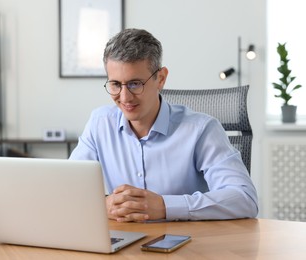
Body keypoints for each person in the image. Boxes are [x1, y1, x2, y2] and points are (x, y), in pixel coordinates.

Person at [69, 28, 258, 222]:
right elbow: (67, 188)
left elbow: (245, 199)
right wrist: (102, 204)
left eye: (135, 84)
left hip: (188, 246)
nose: (124, 97)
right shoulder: (99, 124)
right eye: (116, 84)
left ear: (160, 79)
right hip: (123, 242)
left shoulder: (201, 130)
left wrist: (165, 206)